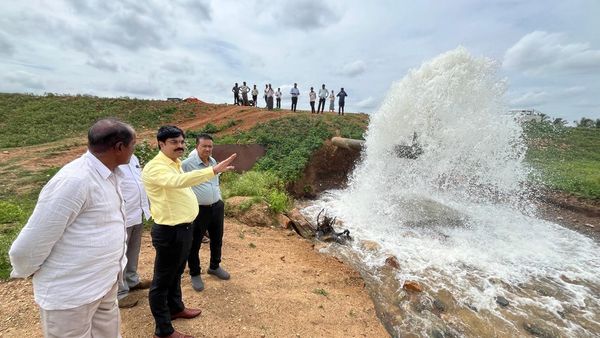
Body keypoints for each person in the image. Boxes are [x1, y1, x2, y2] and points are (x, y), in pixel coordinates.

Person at [9, 118, 136, 338]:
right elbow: (28, 246)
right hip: (72, 295)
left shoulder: (110, 174)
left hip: (104, 284)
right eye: (133, 144)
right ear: (119, 148)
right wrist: (31, 272)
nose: (134, 150)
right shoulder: (75, 180)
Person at [142, 125, 236, 338]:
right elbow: (178, 182)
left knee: (176, 274)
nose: (180, 146)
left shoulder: (174, 163)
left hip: (184, 228)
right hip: (169, 231)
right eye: (174, 142)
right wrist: (212, 171)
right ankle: (163, 330)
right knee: (161, 281)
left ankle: (176, 308)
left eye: (182, 142)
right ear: (161, 144)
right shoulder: (156, 167)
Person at [182, 134, 229, 292]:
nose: (208, 149)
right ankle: (195, 273)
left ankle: (214, 266)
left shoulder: (213, 161)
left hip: (216, 207)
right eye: (204, 146)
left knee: (217, 239)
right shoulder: (187, 164)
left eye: (210, 146)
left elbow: (215, 182)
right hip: (199, 210)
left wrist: (219, 199)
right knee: (194, 243)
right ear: (197, 147)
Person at [117, 153, 152, 309]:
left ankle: (132, 280)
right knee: (119, 255)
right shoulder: (112, 158)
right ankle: (119, 293)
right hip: (121, 215)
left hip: (137, 212)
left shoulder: (134, 158)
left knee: (133, 251)